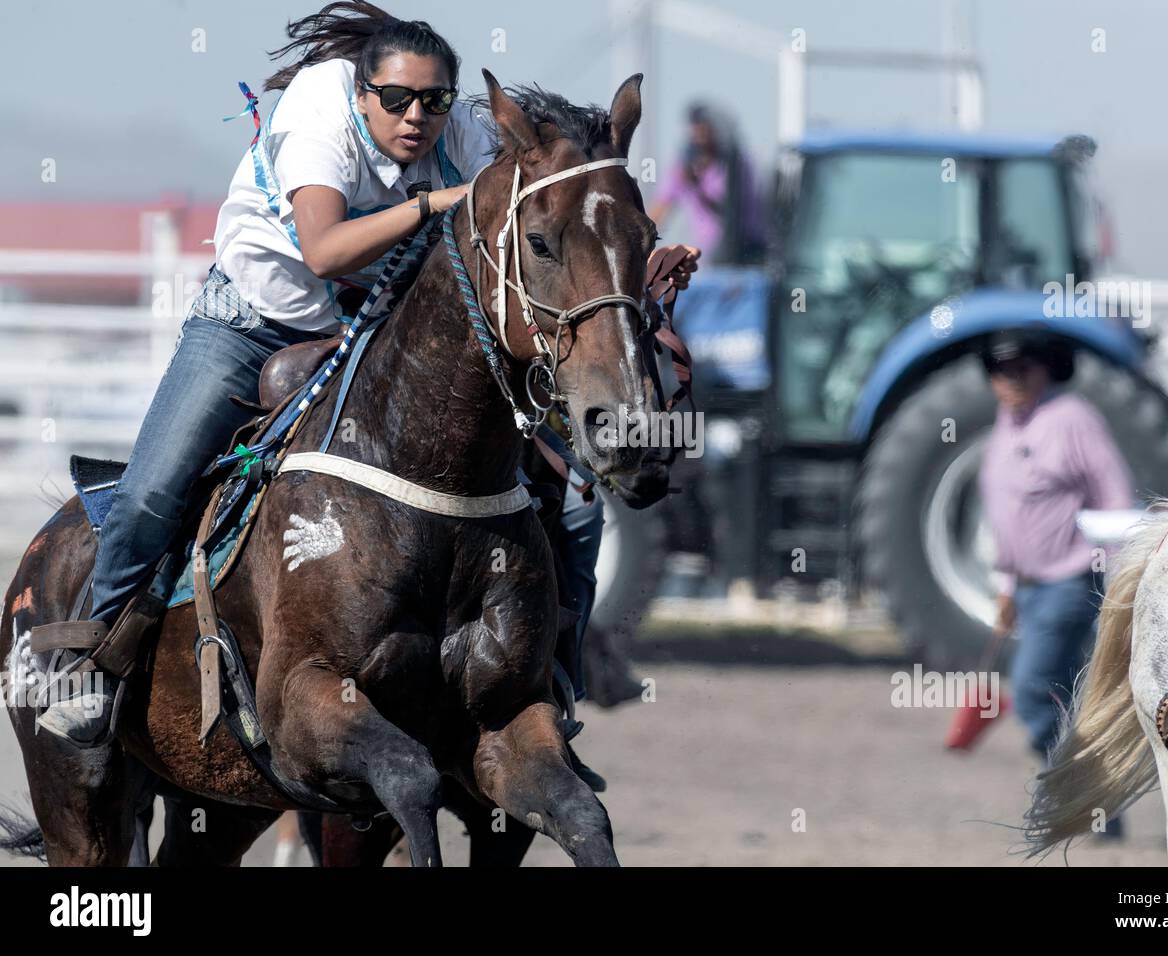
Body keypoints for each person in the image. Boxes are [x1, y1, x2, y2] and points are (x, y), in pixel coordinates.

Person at [35, 2, 701, 784]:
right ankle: (95, 663)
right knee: (156, 488)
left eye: (435, 101)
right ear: (361, 95)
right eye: (397, 100)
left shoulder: (462, 131)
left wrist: (619, 253)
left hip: (376, 325)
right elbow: (321, 249)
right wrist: (436, 204)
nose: (418, 116)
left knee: (577, 503)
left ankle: (556, 679)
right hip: (254, 318)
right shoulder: (318, 114)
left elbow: (549, 180)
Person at [977, 330, 1134, 760]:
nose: (1011, 379)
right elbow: (1011, 515)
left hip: (1068, 583)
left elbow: (1115, 495)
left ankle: (1064, 787)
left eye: (1022, 367)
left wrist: (1120, 585)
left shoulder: (1072, 418)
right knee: (1064, 697)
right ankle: (1093, 806)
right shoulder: (1004, 425)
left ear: (1045, 369)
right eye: (1000, 370)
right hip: (1027, 588)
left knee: (1030, 691)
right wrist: (1008, 588)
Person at [648, 101, 766, 265]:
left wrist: (697, 187)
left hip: (747, 251)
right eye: (696, 127)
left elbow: (732, 211)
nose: (700, 132)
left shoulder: (737, 164)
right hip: (709, 258)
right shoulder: (682, 167)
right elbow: (658, 211)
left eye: (705, 126)